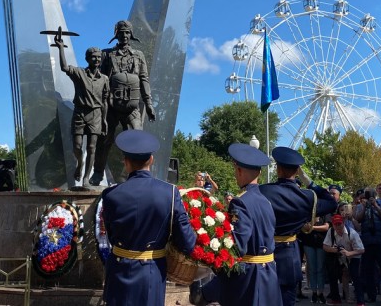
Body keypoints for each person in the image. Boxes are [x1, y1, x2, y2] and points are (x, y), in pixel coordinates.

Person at [100, 130, 195, 305]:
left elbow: (111, 235)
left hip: (118, 271)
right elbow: (188, 242)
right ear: (151, 160)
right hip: (150, 274)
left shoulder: (110, 194)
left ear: (125, 162)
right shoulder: (170, 193)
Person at [191, 143, 280, 306]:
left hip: (249, 280)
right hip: (269, 275)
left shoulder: (240, 202)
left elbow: (238, 247)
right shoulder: (266, 201)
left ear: (239, 170)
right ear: (259, 173)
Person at [259, 146, 337, 306]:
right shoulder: (307, 196)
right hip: (289, 255)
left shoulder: (264, 191)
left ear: (278, 169)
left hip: (265, 252)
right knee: (287, 299)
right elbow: (331, 202)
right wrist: (307, 180)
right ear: (297, 171)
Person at [91, 20, 155, 186]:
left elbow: (144, 79)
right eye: (121, 32)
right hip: (111, 105)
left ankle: (137, 176)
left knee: (138, 139)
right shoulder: (107, 54)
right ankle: (97, 173)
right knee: (105, 139)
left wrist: (148, 103)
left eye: (127, 32)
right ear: (116, 35)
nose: (124, 36)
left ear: (131, 34)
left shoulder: (138, 55)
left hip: (132, 106)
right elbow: (99, 79)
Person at [55, 36, 109, 183]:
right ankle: (80, 163)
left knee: (92, 147)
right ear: (87, 58)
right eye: (93, 57)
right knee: (77, 147)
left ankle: (86, 177)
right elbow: (64, 67)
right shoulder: (79, 73)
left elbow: (104, 101)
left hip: (96, 114)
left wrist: (104, 120)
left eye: (99, 58)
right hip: (80, 113)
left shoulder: (104, 79)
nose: (96, 60)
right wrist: (61, 48)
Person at [354, 187, 381, 303]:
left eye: (372, 194)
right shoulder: (361, 206)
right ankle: (371, 295)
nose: (370, 197)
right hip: (367, 242)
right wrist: (364, 207)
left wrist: (375, 205)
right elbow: (358, 219)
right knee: (368, 269)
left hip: (380, 241)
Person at [324, 213, 365, 306]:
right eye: (336, 224)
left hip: (354, 255)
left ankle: (360, 301)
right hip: (340, 256)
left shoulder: (353, 233)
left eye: (340, 224)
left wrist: (349, 253)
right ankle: (337, 298)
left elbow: (362, 250)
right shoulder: (330, 231)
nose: (338, 226)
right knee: (335, 274)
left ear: (343, 223)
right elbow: (325, 246)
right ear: (333, 224)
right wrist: (335, 250)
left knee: (355, 277)